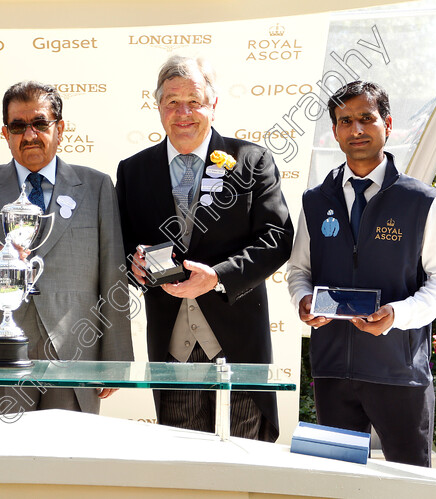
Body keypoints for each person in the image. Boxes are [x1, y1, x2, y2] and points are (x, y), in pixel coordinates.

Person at [116, 54, 293, 442]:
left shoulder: (251, 161)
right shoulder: (133, 171)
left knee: (245, 463)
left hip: (239, 346)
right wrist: (134, 263)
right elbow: (122, 244)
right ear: (158, 106)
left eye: (194, 101)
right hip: (171, 348)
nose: (184, 113)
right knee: (183, 466)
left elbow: (277, 239)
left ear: (213, 104)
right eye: (172, 102)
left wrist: (217, 277)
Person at [287, 81, 436, 467]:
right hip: (333, 371)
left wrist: (398, 316)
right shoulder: (316, 201)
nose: (357, 129)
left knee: (410, 485)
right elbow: (299, 270)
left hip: (398, 373)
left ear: (388, 123)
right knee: (339, 482)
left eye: (366, 118)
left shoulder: (419, 201)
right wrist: (302, 299)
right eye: (345, 121)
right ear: (334, 131)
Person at [0, 81, 133, 416]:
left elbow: (113, 272)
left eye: (40, 124)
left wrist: (116, 358)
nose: (29, 135)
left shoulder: (97, 186)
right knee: (5, 464)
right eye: (18, 126)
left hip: (75, 354)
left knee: (69, 462)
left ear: (60, 129)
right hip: (0, 358)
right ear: (5, 132)